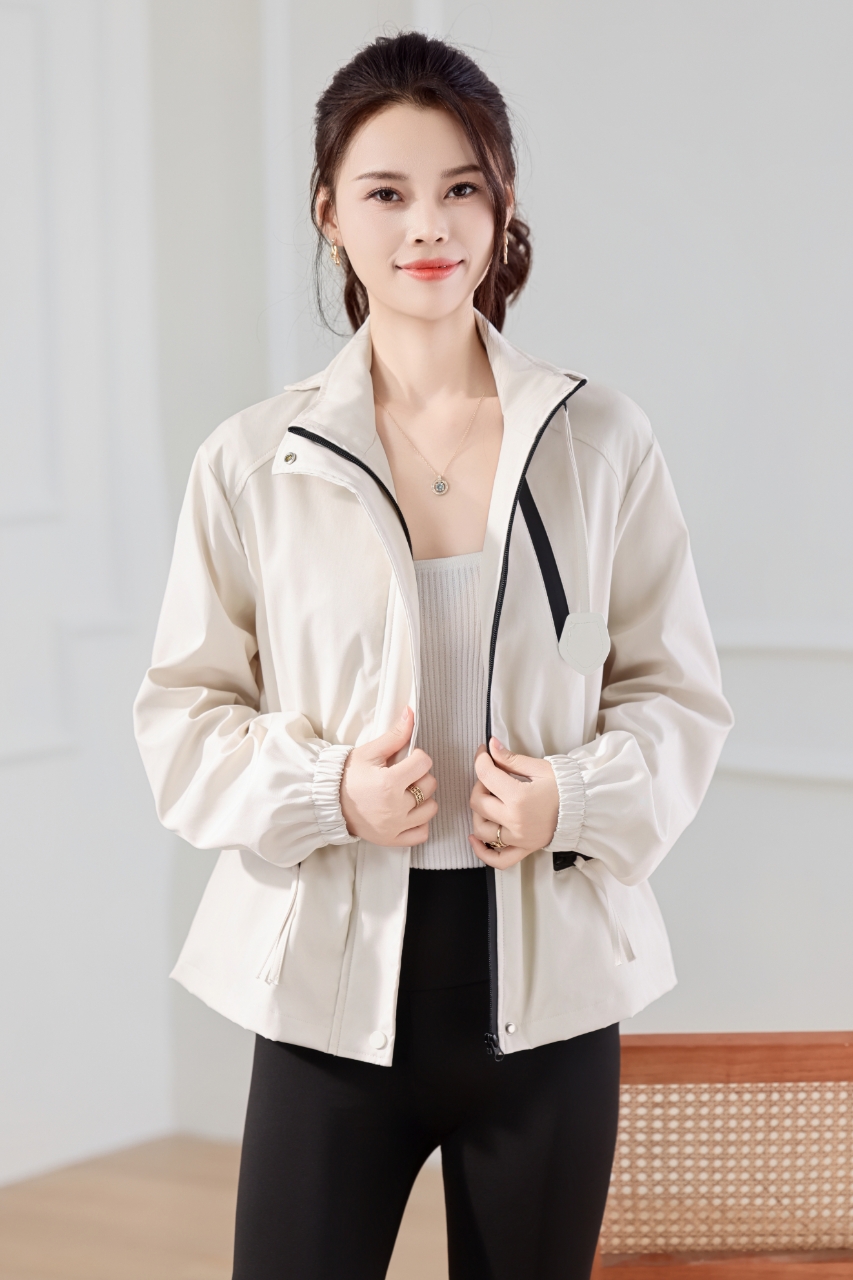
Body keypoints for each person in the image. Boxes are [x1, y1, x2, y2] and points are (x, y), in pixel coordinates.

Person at [134, 31, 732, 1280]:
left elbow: (678, 697)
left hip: (552, 1004)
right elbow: (181, 723)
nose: (428, 225)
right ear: (329, 213)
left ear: (501, 203)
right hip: (326, 1004)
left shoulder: (599, 440)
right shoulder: (251, 462)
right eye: (386, 191)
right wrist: (328, 789)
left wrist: (571, 796)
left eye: (461, 186)